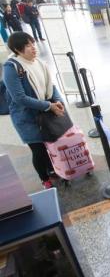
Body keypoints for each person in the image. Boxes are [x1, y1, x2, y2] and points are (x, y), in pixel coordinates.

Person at [3, 32, 65, 189]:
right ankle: (44, 178)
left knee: (50, 145)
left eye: (33, 43)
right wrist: (48, 106)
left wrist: (57, 101)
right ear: (18, 49)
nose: (33, 47)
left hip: (44, 114)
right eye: (28, 45)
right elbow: (19, 98)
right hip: (26, 118)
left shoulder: (39, 63)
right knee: (38, 150)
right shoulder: (12, 68)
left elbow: (50, 85)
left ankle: (53, 169)